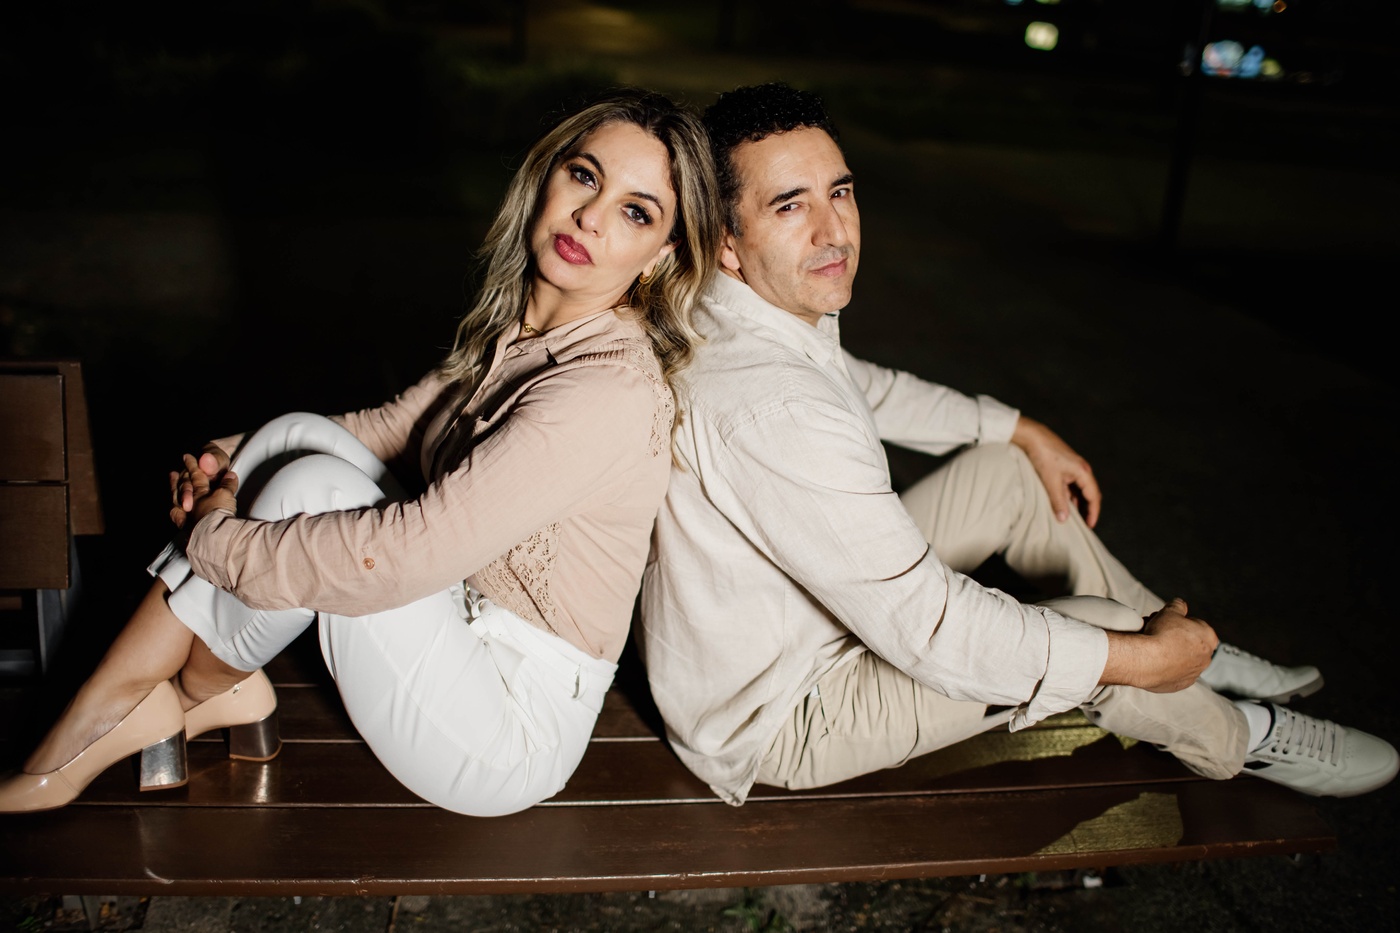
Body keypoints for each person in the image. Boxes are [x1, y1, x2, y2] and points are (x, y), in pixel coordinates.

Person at [637, 82, 1397, 807]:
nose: (834, 231)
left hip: (807, 619)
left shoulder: (745, 306)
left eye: (839, 192)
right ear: (727, 240)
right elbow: (932, 627)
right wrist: (1133, 659)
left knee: (1009, 471)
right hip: (784, 711)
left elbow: (865, 385)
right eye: (790, 206)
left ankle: (1197, 659)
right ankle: (1237, 734)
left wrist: (1018, 427)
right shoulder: (771, 406)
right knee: (1103, 634)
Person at [0, 88, 720, 817]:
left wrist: (213, 536)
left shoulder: (605, 389)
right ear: (547, 176)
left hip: (505, 726)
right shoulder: (523, 332)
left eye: (636, 212)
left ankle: (133, 703)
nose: (591, 216)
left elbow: (407, 556)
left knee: (313, 482)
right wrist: (226, 459)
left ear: (663, 254)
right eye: (585, 176)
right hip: (455, 621)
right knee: (295, 437)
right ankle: (186, 692)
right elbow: (387, 429)